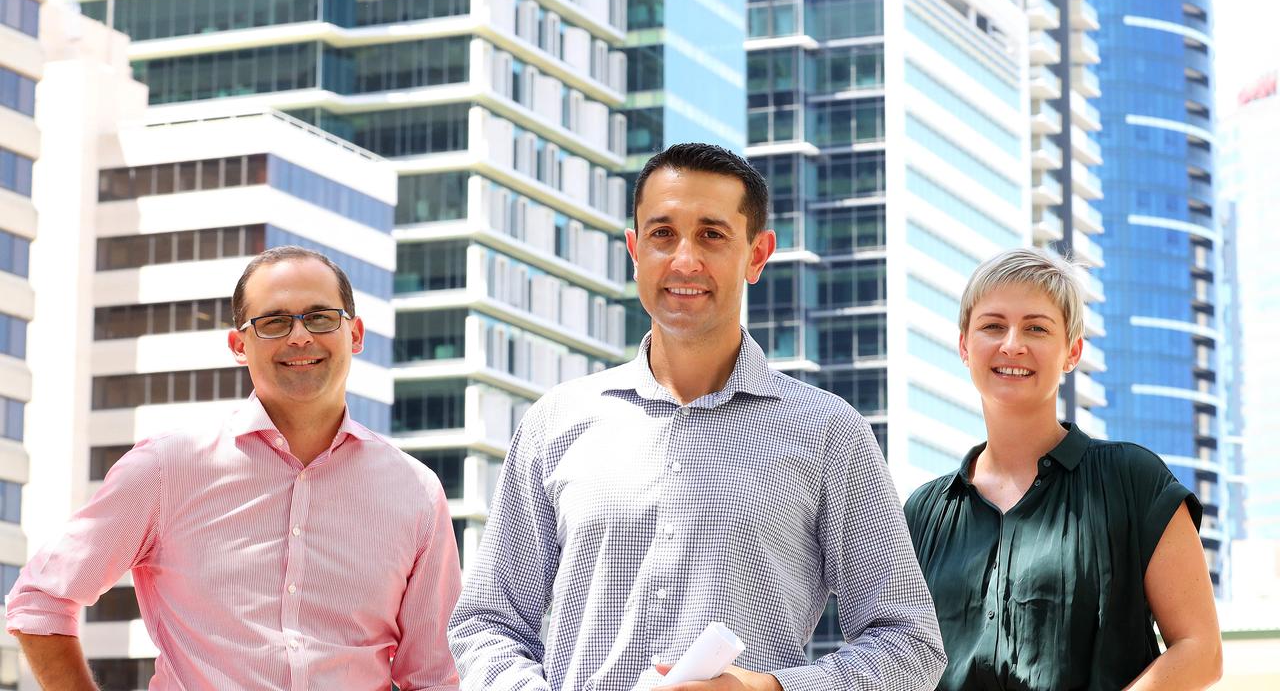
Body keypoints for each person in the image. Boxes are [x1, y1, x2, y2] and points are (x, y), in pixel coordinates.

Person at [448, 143, 946, 691]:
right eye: (663, 234)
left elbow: (910, 645)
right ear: (635, 250)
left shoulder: (829, 434)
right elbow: (486, 624)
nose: (684, 260)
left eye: (712, 234)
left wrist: (769, 689)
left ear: (757, 255)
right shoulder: (556, 422)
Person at [7, 246, 462, 690]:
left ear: (355, 334)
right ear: (238, 345)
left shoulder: (415, 490)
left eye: (321, 317)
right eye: (274, 322)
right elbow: (41, 599)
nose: (300, 337)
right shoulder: (166, 469)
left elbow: (434, 676)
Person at [904, 248, 1223, 690]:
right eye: (993, 326)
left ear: (1072, 351)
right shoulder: (923, 513)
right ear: (964, 345)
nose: (1012, 343)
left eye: (1036, 327)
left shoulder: (1134, 480)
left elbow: (1200, 650)